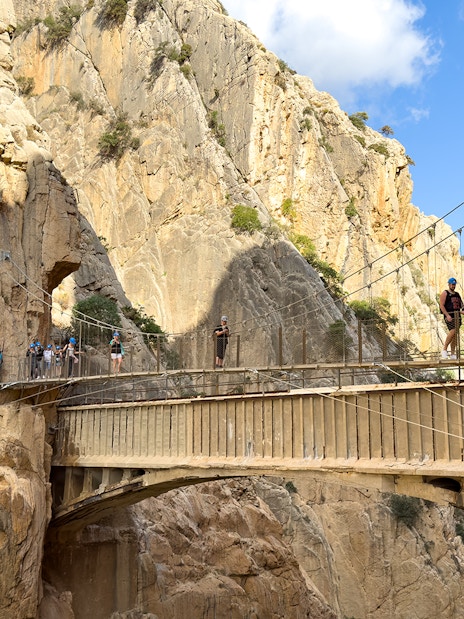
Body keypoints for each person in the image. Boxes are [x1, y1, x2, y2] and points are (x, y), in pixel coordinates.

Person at [439, 277, 464, 360]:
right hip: (449, 316)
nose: (453, 286)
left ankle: (453, 353)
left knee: (455, 335)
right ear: (449, 284)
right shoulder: (445, 293)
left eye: (454, 285)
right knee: (453, 331)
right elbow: (441, 305)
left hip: (457, 316)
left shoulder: (457, 294)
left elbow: (461, 305)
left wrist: (461, 311)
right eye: (452, 284)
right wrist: (447, 315)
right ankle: (444, 349)